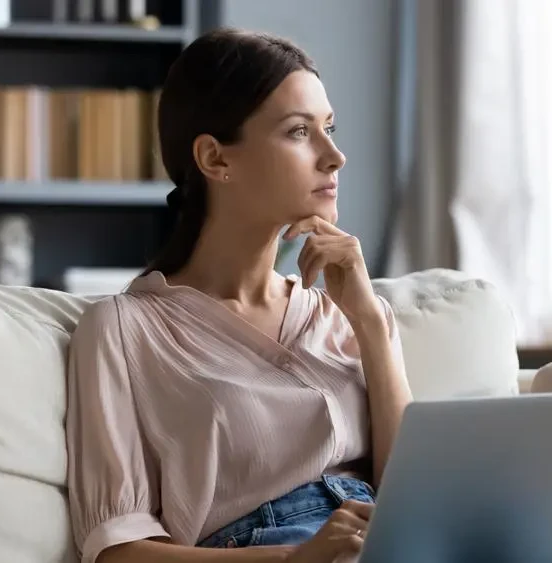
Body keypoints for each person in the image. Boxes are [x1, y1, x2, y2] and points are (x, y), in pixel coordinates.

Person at [64, 27, 413, 563]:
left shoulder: (348, 313)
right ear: (215, 159)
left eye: (330, 128)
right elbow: (121, 552)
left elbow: (415, 499)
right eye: (300, 132)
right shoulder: (123, 329)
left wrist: (371, 324)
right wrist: (296, 559)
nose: (335, 156)